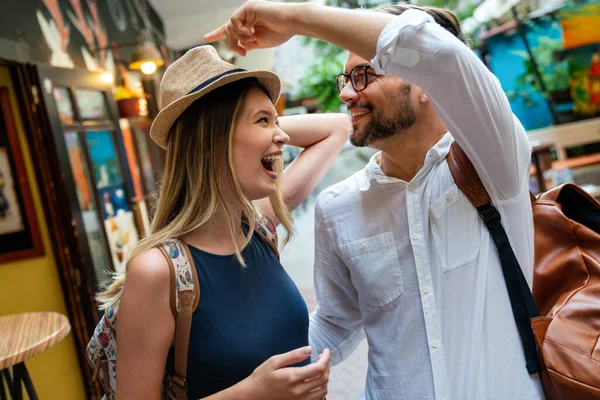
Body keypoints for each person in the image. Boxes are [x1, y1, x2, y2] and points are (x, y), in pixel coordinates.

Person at [205, 2, 545, 399]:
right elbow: (335, 322)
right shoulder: (338, 207)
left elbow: (438, 54)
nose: (348, 93)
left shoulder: (492, 161)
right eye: (346, 78)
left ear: (424, 84)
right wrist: (241, 367)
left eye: (366, 74)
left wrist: (295, 18)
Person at [97, 45, 351, 399]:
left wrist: (260, 132)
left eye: (276, 121)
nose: (283, 137)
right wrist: (252, 393)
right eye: (263, 120)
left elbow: (338, 127)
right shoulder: (159, 271)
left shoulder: (258, 227)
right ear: (213, 140)